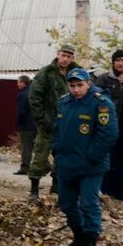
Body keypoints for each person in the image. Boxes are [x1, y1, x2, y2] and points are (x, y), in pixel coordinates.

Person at [51, 68, 118, 246]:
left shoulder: (101, 103)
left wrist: (91, 156)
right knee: (67, 204)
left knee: (89, 204)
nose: (76, 89)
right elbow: (57, 130)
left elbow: (109, 134)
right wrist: (56, 150)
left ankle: (89, 245)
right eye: (72, 86)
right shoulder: (64, 102)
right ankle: (79, 239)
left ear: (88, 83)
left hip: (91, 166)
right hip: (66, 164)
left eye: (80, 85)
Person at [28, 45, 79, 199]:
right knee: (40, 156)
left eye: (69, 56)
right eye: (63, 55)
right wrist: (41, 119)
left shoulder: (76, 73)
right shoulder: (46, 72)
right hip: (48, 124)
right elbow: (35, 96)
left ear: (73, 58)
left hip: (67, 125)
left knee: (62, 158)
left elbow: (82, 94)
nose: (65, 59)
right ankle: (34, 190)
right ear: (58, 55)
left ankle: (56, 187)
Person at [94, 50, 123, 201]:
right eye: (118, 60)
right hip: (109, 128)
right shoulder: (103, 80)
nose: (121, 63)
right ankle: (107, 191)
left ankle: (121, 192)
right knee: (109, 159)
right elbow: (96, 103)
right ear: (112, 62)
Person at [15, 75, 36, 175]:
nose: (17, 84)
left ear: (24, 83)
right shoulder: (33, 92)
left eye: (19, 82)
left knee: (26, 147)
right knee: (37, 147)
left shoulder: (23, 94)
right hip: (35, 124)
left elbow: (21, 111)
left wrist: (18, 123)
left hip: (26, 125)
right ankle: (45, 165)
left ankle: (25, 168)